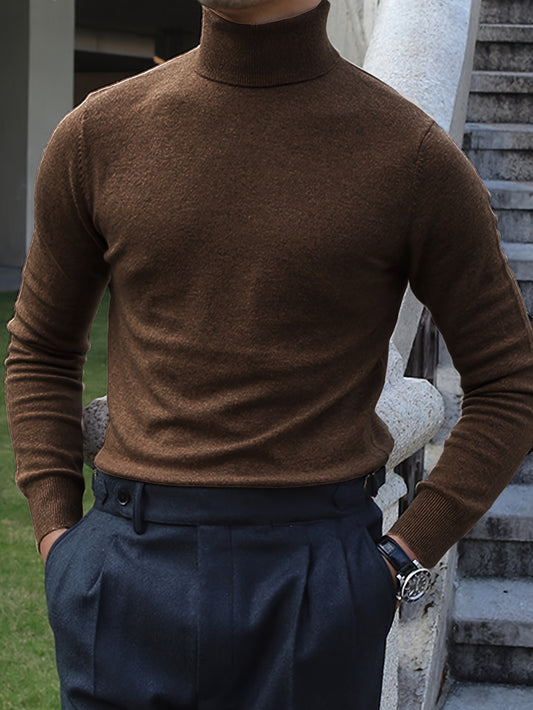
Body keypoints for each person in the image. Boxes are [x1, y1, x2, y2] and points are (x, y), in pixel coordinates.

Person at [5, 0, 533, 708]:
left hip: (318, 583)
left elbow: (510, 381)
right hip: (124, 571)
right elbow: (40, 347)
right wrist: (57, 537)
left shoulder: (408, 154)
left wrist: (398, 560)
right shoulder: (98, 133)